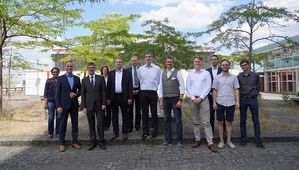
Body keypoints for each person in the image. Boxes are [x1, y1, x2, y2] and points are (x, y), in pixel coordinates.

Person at [186, 56, 217, 153]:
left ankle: (210, 142)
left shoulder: (206, 73)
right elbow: (188, 87)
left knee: (206, 122)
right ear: (193, 62)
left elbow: (209, 87)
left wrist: (201, 97)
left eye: (199, 61)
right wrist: (193, 98)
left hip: (204, 99)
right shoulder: (190, 74)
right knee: (195, 121)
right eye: (196, 61)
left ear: (202, 62)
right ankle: (197, 140)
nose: (197, 63)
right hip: (193, 99)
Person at [158, 57, 185, 149]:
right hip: (165, 99)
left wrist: (180, 100)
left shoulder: (178, 72)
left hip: (175, 99)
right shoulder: (163, 73)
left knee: (178, 121)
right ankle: (168, 140)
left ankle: (179, 141)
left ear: (173, 63)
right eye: (167, 62)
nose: (169, 63)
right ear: (165, 63)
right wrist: (161, 101)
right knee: (166, 120)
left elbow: (182, 87)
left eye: (171, 62)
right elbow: (160, 88)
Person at [212, 59, 240, 149]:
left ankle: (228, 141)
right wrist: (214, 102)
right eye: (223, 65)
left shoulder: (234, 77)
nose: (225, 66)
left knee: (229, 122)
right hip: (220, 102)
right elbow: (214, 90)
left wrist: (237, 101)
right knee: (220, 122)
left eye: (226, 64)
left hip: (231, 102)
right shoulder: (217, 78)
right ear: (221, 66)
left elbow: (236, 89)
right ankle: (221, 141)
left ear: (229, 66)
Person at [237, 59, 265, 148]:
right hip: (243, 100)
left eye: (245, 65)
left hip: (253, 100)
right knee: (242, 120)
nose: (244, 66)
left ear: (248, 65)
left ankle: (258, 140)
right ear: (241, 67)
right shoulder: (239, 77)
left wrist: (256, 94)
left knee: (256, 120)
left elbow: (258, 86)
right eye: (242, 65)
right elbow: (237, 88)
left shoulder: (255, 75)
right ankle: (244, 139)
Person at [56, 61, 81, 152]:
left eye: (71, 66)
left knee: (75, 124)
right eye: (68, 66)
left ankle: (74, 142)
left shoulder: (77, 78)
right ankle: (62, 143)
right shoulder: (60, 79)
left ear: (73, 67)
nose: (69, 67)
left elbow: (81, 90)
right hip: (63, 105)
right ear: (65, 67)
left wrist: (76, 95)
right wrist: (58, 106)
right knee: (63, 124)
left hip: (74, 105)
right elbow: (57, 93)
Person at [81, 62, 107, 151]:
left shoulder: (101, 78)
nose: (91, 69)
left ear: (95, 68)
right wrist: (83, 106)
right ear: (87, 69)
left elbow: (104, 92)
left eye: (92, 67)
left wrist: (104, 103)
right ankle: (93, 142)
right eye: (89, 67)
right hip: (89, 106)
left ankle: (101, 141)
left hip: (100, 105)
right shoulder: (84, 80)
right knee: (91, 124)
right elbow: (83, 94)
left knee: (100, 124)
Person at [107, 58, 133, 141]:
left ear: (122, 63)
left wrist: (130, 97)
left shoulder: (127, 73)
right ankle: (116, 133)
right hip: (114, 97)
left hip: (124, 96)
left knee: (125, 115)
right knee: (114, 116)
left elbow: (130, 86)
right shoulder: (110, 73)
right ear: (114, 64)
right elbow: (108, 87)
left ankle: (125, 132)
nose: (118, 63)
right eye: (117, 62)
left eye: (120, 62)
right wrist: (108, 98)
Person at [139, 52, 161, 140]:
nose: (148, 58)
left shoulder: (157, 68)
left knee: (154, 112)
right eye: (146, 57)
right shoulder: (140, 69)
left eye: (149, 57)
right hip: (143, 92)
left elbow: (159, 81)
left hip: (153, 92)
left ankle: (154, 131)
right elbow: (140, 81)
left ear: (152, 58)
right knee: (144, 113)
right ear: (144, 59)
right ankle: (145, 132)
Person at [206, 54, 226, 133]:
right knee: (211, 114)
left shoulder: (222, 70)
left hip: (220, 95)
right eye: (212, 59)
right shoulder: (207, 71)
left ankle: (223, 130)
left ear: (217, 60)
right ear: (210, 61)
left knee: (221, 113)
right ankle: (211, 130)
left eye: (215, 59)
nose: (214, 61)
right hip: (210, 96)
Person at [44, 67, 61, 139]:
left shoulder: (61, 80)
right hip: (51, 101)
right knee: (51, 117)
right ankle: (50, 133)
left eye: (56, 72)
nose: (55, 73)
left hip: (59, 102)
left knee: (59, 117)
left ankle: (58, 133)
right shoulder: (48, 81)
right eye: (53, 72)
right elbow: (45, 92)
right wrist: (45, 103)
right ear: (51, 73)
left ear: (58, 72)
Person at [127, 56, 141, 132]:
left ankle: (137, 126)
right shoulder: (127, 70)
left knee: (138, 110)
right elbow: (126, 83)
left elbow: (143, 81)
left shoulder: (141, 70)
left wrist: (139, 89)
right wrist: (131, 91)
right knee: (130, 110)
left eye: (135, 61)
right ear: (131, 62)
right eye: (132, 61)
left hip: (139, 91)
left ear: (137, 61)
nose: (134, 62)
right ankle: (130, 126)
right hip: (130, 92)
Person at [101, 66, 112, 131]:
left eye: (106, 69)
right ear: (101, 70)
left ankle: (107, 125)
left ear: (107, 70)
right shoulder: (99, 78)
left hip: (108, 99)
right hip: (101, 99)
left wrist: (109, 98)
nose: (105, 71)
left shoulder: (110, 78)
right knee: (101, 112)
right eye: (103, 69)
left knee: (108, 112)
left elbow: (111, 89)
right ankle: (103, 124)